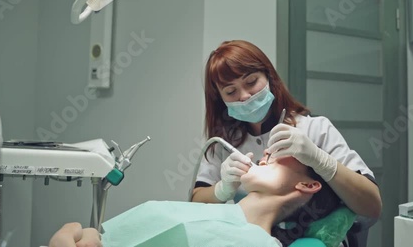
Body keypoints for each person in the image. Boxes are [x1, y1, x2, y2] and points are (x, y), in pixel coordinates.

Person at [192, 40, 382, 220]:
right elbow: (195, 202)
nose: (244, 96)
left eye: (251, 82)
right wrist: (221, 189)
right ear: (220, 99)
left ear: (269, 78)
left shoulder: (315, 129)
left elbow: (372, 206)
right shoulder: (223, 144)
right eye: (231, 92)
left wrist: (321, 161)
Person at [49, 154, 340, 247]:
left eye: (278, 154)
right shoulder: (202, 213)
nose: (265, 153)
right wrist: (75, 231)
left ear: (307, 184)